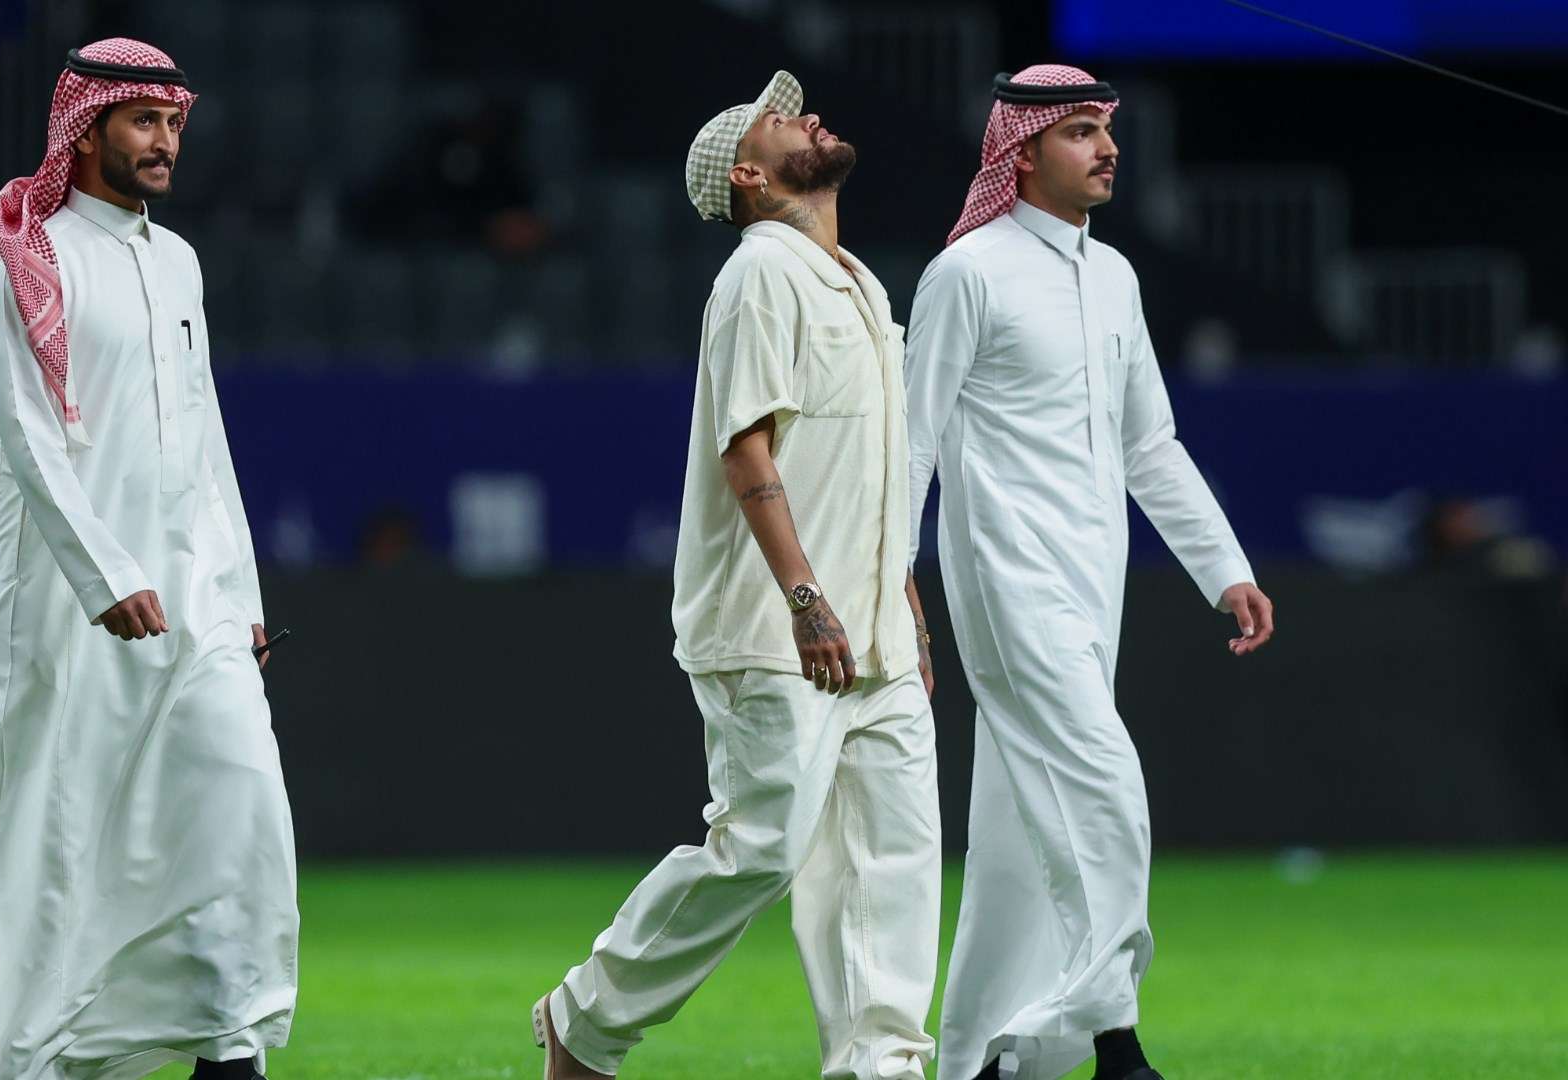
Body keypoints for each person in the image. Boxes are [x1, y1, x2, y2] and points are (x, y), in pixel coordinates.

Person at [532, 71, 942, 1080]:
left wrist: (908, 612)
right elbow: (746, 450)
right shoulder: (760, 273)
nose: (808, 115)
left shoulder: (862, 281)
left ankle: (881, 1064)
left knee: (888, 865)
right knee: (760, 849)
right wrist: (807, 599)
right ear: (747, 175)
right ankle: (585, 1018)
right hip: (778, 633)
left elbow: (877, 474)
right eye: (780, 119)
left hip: (875, 637)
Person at [904, 65, 1276, 1080]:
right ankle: (1113, 1037)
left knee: (1021, 844)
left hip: (1092, 579)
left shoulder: (1115, 277)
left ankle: (977, 1060)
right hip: (1003, 575)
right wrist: (892, 575)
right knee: (1105, 786)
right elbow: (911, 442)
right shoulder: (967, 272)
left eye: (1106, 130)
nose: (1107, 148)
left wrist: (1222, 567)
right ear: (1020, 150)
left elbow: (1149, 443)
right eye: (1079, 131)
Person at [0, 39, 296, 1080]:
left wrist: (238, 593)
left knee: (238, 800)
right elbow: (27, 437)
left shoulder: (178, 259)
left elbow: (203, 433)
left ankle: (226, 1046)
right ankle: (32, 1060)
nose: (164, 142)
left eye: (174, 123)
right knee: (55, 836)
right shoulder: (27, 261)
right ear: (83, 127)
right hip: (59, 596)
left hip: (189, 588)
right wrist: (102, 578)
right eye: (143, 122)